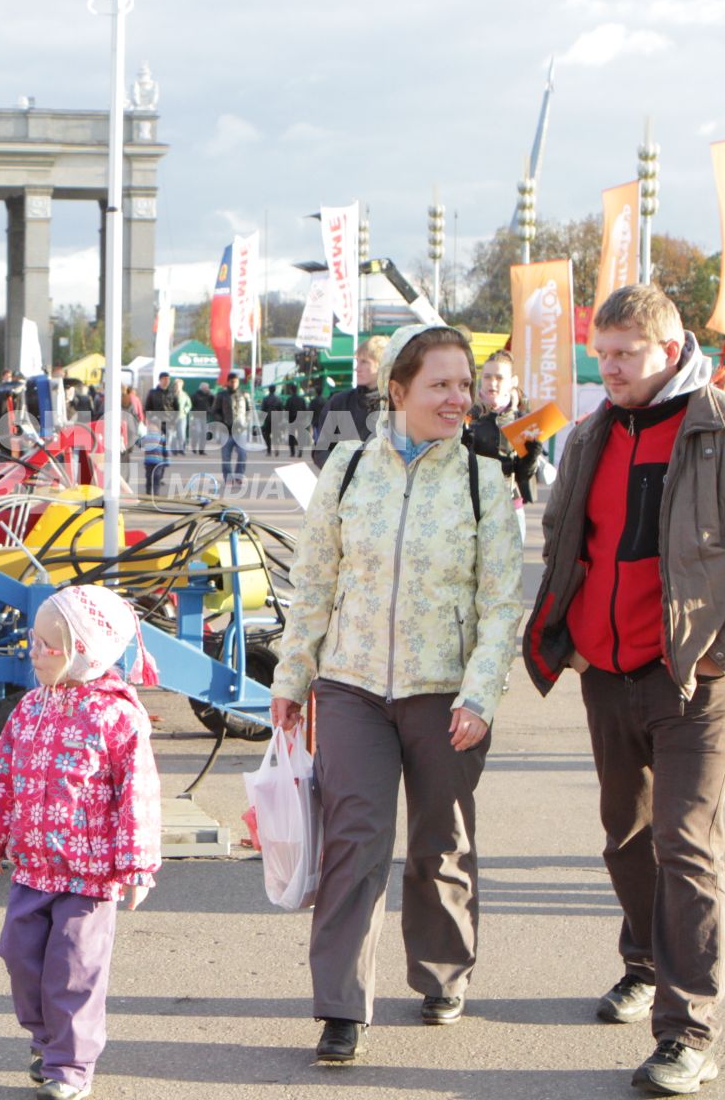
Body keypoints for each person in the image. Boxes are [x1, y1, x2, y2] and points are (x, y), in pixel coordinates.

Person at [523, 284, 725, 1096]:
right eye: (601, 353)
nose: (609, 368)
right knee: (624, 836)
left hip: (697, 679)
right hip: (606, 676)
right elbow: (564, 540)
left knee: (686, 844)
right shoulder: (590, 433)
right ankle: (646, 964)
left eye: (624, 354)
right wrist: (568, 637)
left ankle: (688, 1032)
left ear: (670, 348)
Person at [271, 325, 523, 1064]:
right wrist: (293, 677)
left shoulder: (484, 480)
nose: (457, 398)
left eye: (464, 385)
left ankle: (442, 973)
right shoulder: (348, 470)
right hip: (351, 687)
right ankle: (342, 1006)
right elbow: (313, 584)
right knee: (355, 841)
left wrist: (479, 696)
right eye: (440, 384)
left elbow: (501, 604)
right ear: (400, 391)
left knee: (441, 842)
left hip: (446, 695)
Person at [0, 585, 162, 1100]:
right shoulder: (29, 709)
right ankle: (47, 1041)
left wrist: (137, 866)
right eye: (32, 642)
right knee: (19, 954)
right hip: (33, 869)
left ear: (84, 650)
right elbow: (1, 775)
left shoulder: (117, 717)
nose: (32, 653)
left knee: (74, 970)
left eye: (45, 645)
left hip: (89, 875)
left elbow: (138, 795)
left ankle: (70, 1066)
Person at [464, 351, 545, 538]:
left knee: (509, 565)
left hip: (510, 506)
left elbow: (524, 475)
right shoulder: (467, 414)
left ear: (512, 381)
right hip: (471, 508)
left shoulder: (521, 419)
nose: (492, 383)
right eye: (487, 377)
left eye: (499, 378)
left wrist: (532, 454)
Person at [313, 334, 389, 470]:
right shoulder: (340, 402)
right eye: (357, 361)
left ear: (382, 365)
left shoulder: (397, 405)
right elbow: (321, 450)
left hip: (384, 487)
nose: (356, 368)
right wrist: (339, 471)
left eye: (364, 362)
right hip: (344, 486)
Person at [211, 371, 254, 492]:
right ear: (228, 382)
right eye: (232, 381)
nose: (234, 383)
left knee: (242, 454)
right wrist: (222, 421)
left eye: (236, 381)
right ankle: (228, 479)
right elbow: (214, 411)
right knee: (226, 458)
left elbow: (250, 410)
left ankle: (239, 476)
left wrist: (246, 422)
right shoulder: (221, 395)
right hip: (226, 431)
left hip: (240, 430)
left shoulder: (244, 394)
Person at [284, 380, 310, 459]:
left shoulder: (289, 399)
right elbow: (305, 410)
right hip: (300, 419)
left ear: (291, 390)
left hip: (291, 420)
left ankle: (292, 452)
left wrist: (286, 419)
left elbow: (286, 410)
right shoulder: (301, 399)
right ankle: (300, 452)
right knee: (301, 435)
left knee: (291, 435)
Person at [260, 382, 286, 457]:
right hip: (276, 418)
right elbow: (281, 410)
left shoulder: (265, 399)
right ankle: (276, 448)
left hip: (267, 418)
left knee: (266, 434)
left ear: (269, 390)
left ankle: (269, 450)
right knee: (275, 435)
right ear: (275, 390)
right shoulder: (278, 399)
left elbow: (262, 410)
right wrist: (281, 419)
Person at [189, 380, 214, 454]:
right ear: (202, 388)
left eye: (208, 388)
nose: (207, 389)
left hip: (205, 416)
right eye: (206, 388)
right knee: (197, 431)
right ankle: (193, 446)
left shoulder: (209, 395)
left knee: (204, 433)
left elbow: (214, 401)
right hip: (197, 416)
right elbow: (191, 405)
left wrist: (210, 394)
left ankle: (201, 450)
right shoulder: (195, 395)